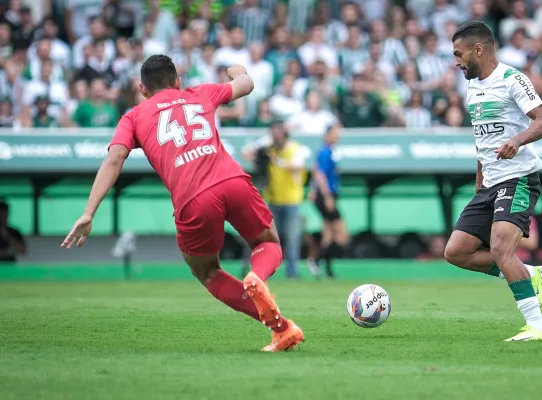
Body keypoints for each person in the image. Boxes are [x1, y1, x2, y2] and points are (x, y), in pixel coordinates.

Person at [61, 55, 304, 352]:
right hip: (232, 180)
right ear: (178, 82)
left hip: (193, 198)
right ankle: (257, 276)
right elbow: (246, 84)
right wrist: (237, 69)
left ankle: (281, 327)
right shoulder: (199, 93)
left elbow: (114, 159)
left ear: (143, 88)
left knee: (208, 272)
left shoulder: (134, 116)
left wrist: (88, 212)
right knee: (268, 242)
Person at [444, 21, 542, 341]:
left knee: (501, 249)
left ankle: (537, 326)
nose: (456, 61)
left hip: (518, 178)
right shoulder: (472, 87)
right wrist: (479, 182)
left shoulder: (512, 79)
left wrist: (518, 141)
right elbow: (482, 139)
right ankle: (531, 274)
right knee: (456, 252)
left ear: (478, 49)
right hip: (490, 183)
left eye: (458, 54)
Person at [243, 122, 310, 279]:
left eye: (278, 133)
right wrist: (261, 153)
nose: (275, 137)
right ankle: (265, 270)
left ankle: (292, 273)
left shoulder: (294, 148)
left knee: (292, 239)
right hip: (273, 199)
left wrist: (276, 160)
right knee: (270, 239)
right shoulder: (270, 148)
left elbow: (296, 165)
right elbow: (246, 152)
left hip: (292, 200)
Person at [311, 123, 349, 279]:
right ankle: (316, 260)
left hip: (325, 194)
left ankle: (326, 269)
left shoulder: (328, 152)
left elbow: (315, 170)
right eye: (334, 133)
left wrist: (314, 191)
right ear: (327, 135)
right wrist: (327, 196)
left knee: (328, 234)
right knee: (341, 235)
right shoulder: (325, 152)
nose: (337, 137)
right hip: (327, 195)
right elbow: (320, 174)